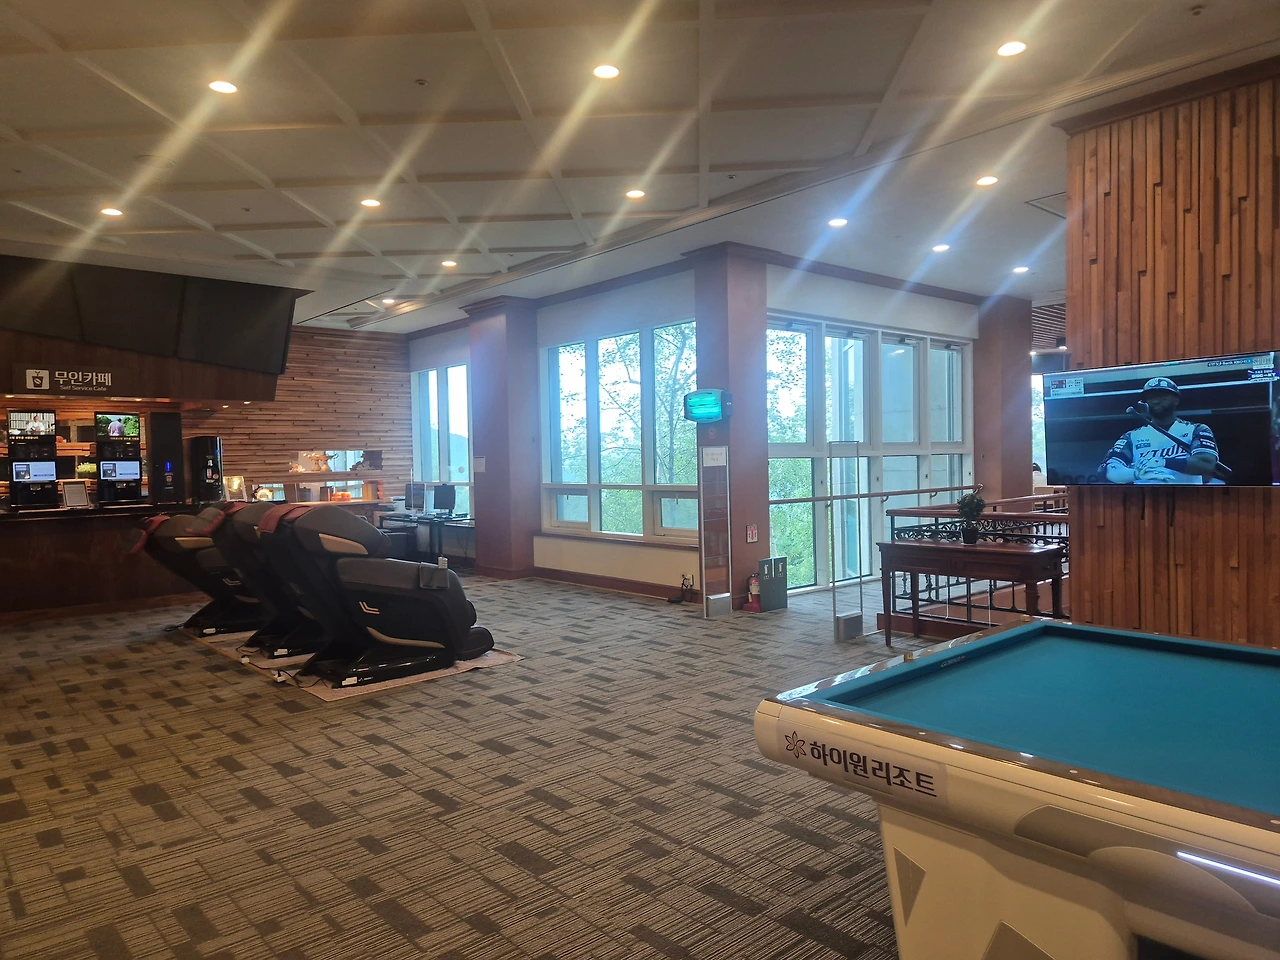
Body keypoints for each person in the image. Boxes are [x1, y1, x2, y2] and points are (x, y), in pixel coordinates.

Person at [1101, 377, 1218, 484]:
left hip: (1187, 497)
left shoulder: (1196, 429)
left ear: (1176, 400)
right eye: (1151, 397)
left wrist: (1163, 462)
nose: (1156, 401)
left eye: (1162, 396)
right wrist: (1136, 474)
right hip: (1146, 498)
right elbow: (1109, 469)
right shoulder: (1131, 436)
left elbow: (1206, 464)